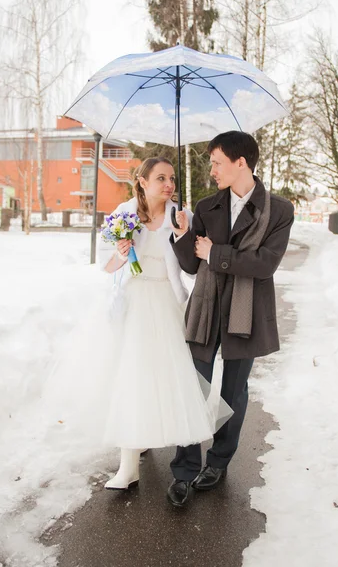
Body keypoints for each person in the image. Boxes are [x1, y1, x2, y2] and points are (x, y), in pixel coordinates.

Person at [167, 131, 294, 507]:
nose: (212, 170)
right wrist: (183, 235)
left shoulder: (279, 211)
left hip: (246, 311)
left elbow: (264, 265)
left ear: (242, 163)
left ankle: (218, 463)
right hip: (206, 308)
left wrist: (215, 252)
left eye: (217, 162)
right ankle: (184, 470)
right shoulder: (207, 207)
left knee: (233, 393)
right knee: (194, 387)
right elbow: (193, 264)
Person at [95, 157, 231, 491]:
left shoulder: (180, 215)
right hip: (134, 304)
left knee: (168, 378)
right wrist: (121, 252)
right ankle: (128, 466)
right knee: (131, 377)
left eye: (171, 178)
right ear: (142, 181)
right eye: (160, 178)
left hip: (168, 303)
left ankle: (165, 446)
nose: (169, 185)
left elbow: (191, 269)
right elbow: (107, 266)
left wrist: (184, 233)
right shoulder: (125, 213)